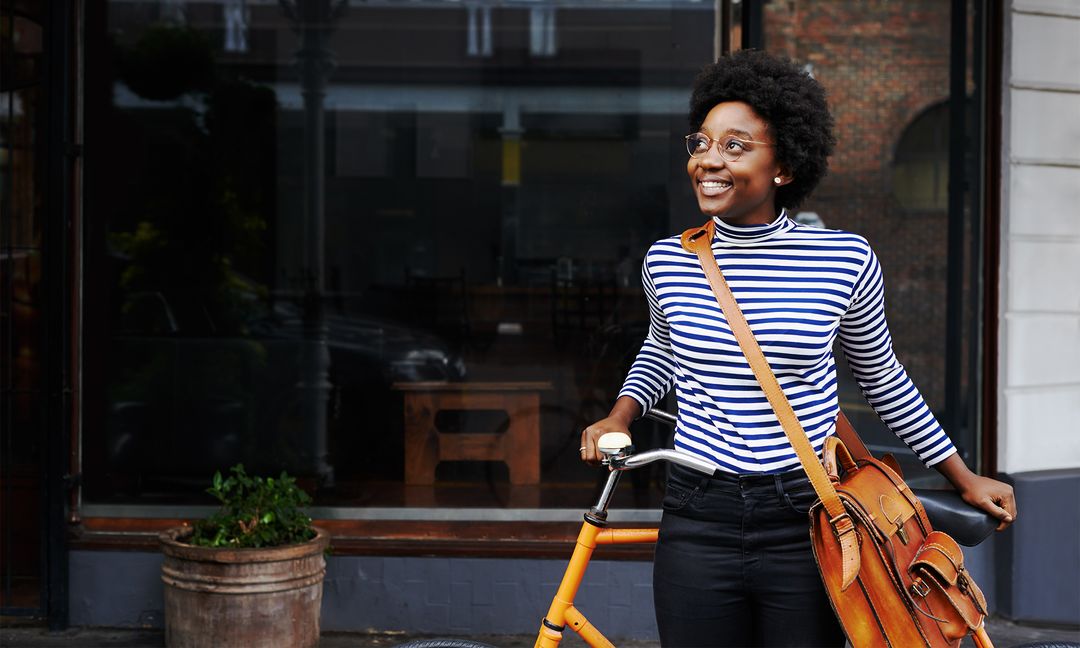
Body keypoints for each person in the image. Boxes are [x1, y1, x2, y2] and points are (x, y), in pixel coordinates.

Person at [578, 49, 1017, 648]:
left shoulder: (844, 260)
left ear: (783, 166)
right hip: (697, 513)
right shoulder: (670, 259)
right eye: (702, 143)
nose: (709, 160)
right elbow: (661, 352)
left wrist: (962, 476)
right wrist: (619, 414)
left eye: (735, 147)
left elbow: (883, 379)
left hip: (807, 516)